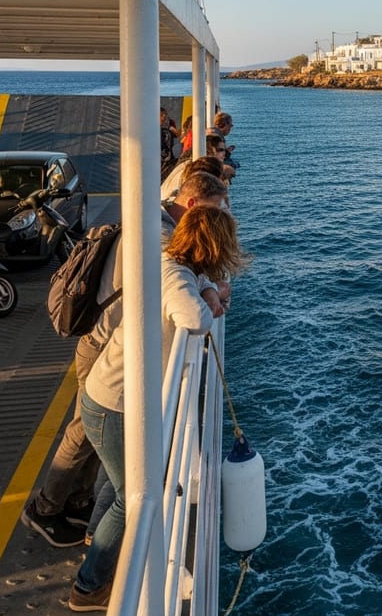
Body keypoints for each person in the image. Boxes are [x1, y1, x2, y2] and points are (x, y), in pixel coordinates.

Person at [21, 173, 230, 551]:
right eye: (216, 212)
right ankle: (44, 509)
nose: (221, 218)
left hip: (111, 341)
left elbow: (187, 274)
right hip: (104, 345)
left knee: (91, 434)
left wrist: (208, 287)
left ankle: (78, 502)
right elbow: (179, 276)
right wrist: (210, 290)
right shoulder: (163, 239)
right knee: (83, 431)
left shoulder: (156, 219)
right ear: (194, 207)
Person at [69, 205, 245, 611]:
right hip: (114, 405)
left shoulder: (174, 266)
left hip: (110, 397)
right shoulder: (174, 276)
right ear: (213, 246)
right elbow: (194, 318)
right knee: (134, 495)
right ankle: (87, 585)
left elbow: (192, 293)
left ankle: (97, 543)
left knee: (115, 484)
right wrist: (212, 295)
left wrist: (206, 287)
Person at [160, 106, 179, 172]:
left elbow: (177, 135)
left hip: (169, 154)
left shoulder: (170, 122)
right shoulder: (152, 124)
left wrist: (173, 130)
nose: (164, 116)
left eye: (165, 114)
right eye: (161, 114)